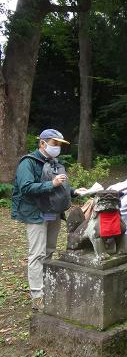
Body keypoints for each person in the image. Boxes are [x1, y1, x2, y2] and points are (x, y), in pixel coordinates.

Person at [11, 129, 85, 310]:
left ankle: (47, 287)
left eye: (59, 145)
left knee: (50, 250)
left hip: (53, 212)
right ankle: (37, 296)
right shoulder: (28, 163)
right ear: (42, 143)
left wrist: (74, 190)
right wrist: (52, 183)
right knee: (37, 254)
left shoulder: (54, 163)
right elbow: (26, 188)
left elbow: (61, 187)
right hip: (35, 214)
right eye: (54, 143)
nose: (57, 147)